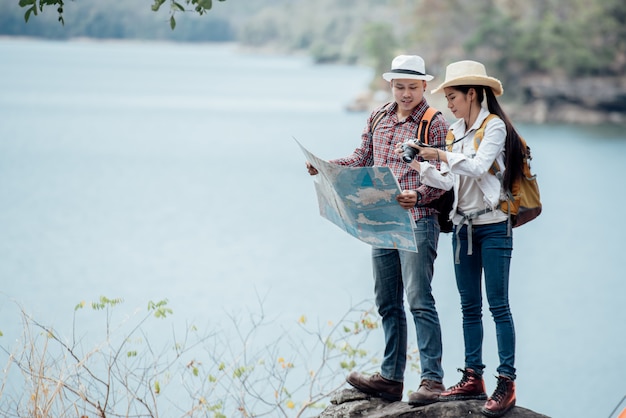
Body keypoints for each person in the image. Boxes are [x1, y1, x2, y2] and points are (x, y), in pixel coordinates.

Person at [305, 55, 449, 406]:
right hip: (382, 221)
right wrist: (325, 167)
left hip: (418, 219)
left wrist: (419, 194)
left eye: (412, 87)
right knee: (387, 301)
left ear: (424, 87)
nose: (405, 93)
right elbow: (361, 159)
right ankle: (390, 378)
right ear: (390, 86)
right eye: (399, 86)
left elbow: (447, 178)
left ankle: (433, 380)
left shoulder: (435, 123)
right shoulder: (379, 117)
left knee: (419, 299)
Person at [400, 60, 523, 417]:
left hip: (494, 225)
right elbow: (451, 180)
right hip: (463, 227)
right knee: (469, 307)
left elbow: (477, 167)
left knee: (498, 306)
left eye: (452, 96)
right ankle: (473, 377)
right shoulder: (455, 130)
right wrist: (421, 166)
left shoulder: (494, 126)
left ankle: (506, 381)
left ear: (473, 93)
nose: (449, 104)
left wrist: (438, 153)